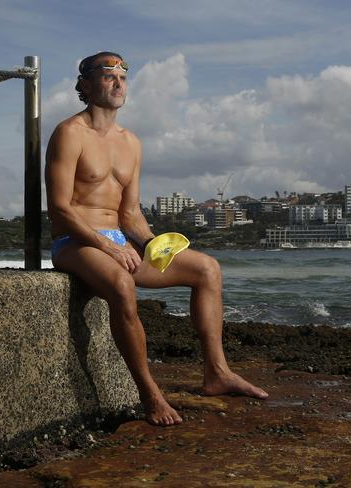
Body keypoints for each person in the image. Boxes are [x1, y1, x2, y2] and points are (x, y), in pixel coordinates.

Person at [45, 51, 268, 427]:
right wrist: (109, 247)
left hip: (117, 240)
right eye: (108, 75)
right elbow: (60, 209)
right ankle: (149, 393)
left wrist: (150, 243)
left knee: (207, 269)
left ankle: (217, 373)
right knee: (120, 283)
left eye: (124, 77)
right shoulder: (69, 134)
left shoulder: (131, 142)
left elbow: (130, 213)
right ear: (84, 84)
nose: (118, 83)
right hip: (75, 243)